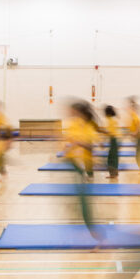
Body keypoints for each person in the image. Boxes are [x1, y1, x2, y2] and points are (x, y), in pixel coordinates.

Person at [62, 101, 102, 244]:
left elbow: (90, 145)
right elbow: (70, 141)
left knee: (84, 203)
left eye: (74, 111)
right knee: (79, 202)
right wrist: (69, 147)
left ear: (81, 113)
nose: (71, 114)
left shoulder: (88, 127)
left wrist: (78, 143)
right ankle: (89, 232)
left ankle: (96, 235)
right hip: (74, 164)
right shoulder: (75, 124)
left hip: (81, 165)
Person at [127, 97, 140, 171]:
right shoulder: (133, 116)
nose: (129, 110)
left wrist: (135, 132)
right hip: (139, 135)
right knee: (139, 152)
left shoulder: (135, 116)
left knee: (139, 153)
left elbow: (137, 123)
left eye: (130, 109)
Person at [103, 105, 120, 179]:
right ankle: (114, 173)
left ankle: (113, 174)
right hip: (115, 139)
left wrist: (102, 132)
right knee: (114, 157)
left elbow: (110, 132)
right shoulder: (113, 119)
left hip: (114, 139)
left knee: (111, 158)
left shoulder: (111, 120)